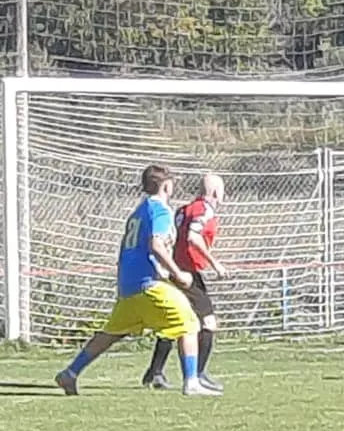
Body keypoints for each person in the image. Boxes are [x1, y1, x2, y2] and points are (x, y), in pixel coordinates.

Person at [56, 165, 221, 397]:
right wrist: (178, 273)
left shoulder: (138, 211)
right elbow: (156, 244)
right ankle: (192, 382)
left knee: (110, 334)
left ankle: (70, 373)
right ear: (166, 185)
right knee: (191, 322)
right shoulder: (160, 210)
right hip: (148, 284)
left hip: (128, 285)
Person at [141, 173, 231, 391]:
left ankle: (154, 372)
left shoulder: (183, 210)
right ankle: (197, 375)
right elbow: (193, 236)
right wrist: (214, 263)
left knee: (176, 321)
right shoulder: (205, 209)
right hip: (186, 273)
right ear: (217, 192)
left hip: (175, 269)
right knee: (208, 322)